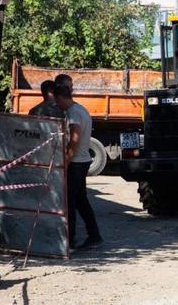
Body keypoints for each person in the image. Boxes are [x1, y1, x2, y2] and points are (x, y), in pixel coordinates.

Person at [53, 84, 103, 250]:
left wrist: (65, 163)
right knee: (81, 201)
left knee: (70, 202)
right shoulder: (80, 109)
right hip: (82, 161)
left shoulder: (74, 114)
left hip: (76, 163)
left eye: (56, 101)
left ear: (60, 97)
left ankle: (70, 240)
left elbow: (74, 140)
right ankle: (94, 235)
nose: (57, 105)